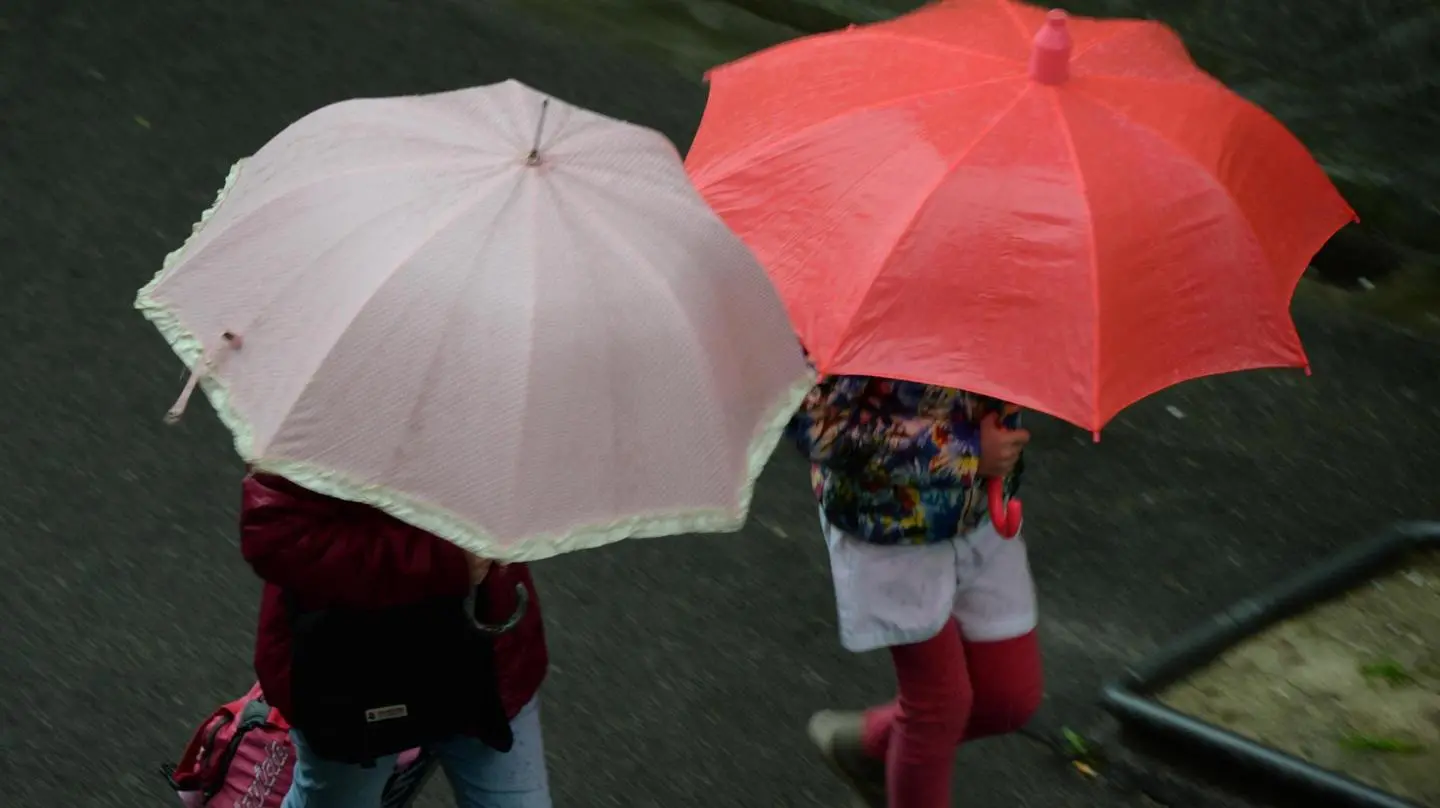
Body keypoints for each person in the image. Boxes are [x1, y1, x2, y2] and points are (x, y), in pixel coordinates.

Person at [786, 375, 1042, 808]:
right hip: (889, 532)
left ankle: (867, 746)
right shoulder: (853, 319)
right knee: (939, 705)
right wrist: (965, 451)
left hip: (977, 517)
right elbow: (817, 428)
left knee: (1008, 698)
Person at [239, 471, 552, 808]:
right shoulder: (325, 423)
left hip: (485, 664)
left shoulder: (503, 419)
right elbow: (275, 537)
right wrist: (442, 560)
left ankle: (415, 745)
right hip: (351, 675)